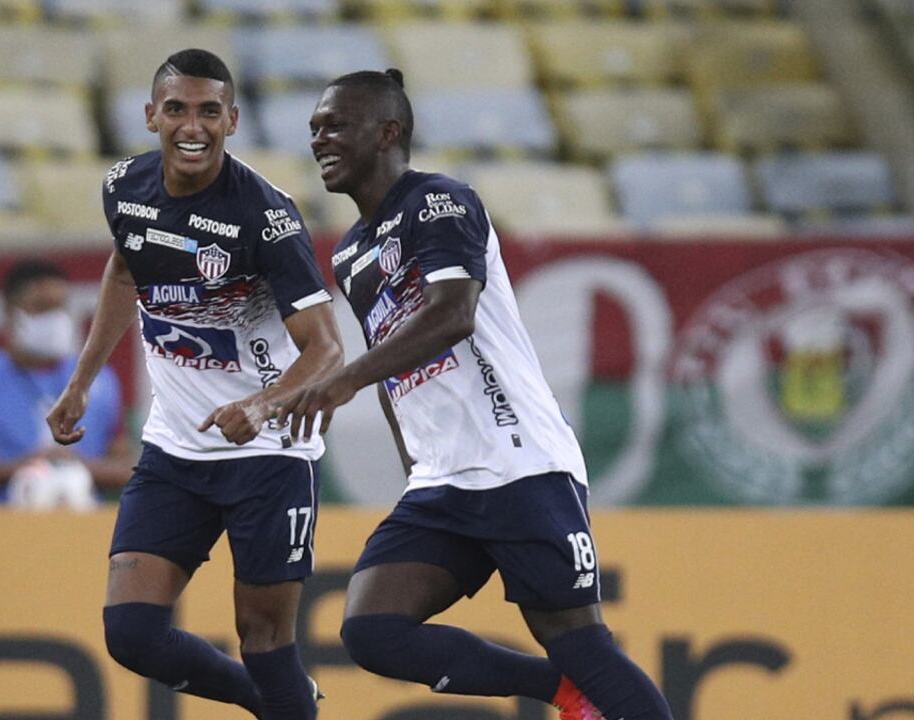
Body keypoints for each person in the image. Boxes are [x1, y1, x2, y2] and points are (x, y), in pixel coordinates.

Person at [276, 69, 674, 720]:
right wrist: (415, 466)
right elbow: (393, 366)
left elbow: (452, 314)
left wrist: (343, 377)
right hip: (443, 484)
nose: (320, 138)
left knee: (582, 645)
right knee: (372, 630)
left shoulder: (439, 201)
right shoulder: (350, 252)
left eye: (336, 125)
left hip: (517, 462)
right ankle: (558, 691)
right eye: (315, 127)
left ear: (388, 131)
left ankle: (574, 680)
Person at [45, 49, 342, 720]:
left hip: (268, 456)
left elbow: (326, 346)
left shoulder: (267, 216)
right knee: (132, 634)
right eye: (176, 109)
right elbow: (127, 272)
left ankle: (276, 692)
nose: (192, 126)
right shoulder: (124, 187)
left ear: (233, 120)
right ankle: (269, 703)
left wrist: (261, 405)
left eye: (210, 111)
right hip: (177, 451)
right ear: (151, 115)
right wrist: (82, 380)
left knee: (266, 643)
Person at [0, 258, 133, 505]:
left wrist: (77, 467)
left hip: (80, 526)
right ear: (10, 312)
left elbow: (125, 468)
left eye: (60, 308)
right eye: (42, 308)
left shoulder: (100, 380)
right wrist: (19, 468)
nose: (54, 319)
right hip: (1, 528)